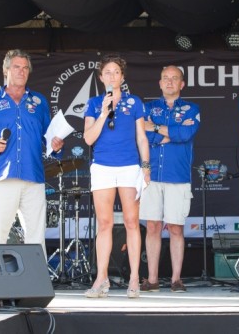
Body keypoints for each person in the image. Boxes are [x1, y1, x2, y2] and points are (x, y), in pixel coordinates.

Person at [0, 49, 64, 255]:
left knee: (36, 236)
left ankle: (34, 286)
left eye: (25, 68)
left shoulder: (39, 102)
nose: (21, 71)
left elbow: (48, 136)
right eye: (16, 67)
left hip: (33, 176)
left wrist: (55, 145)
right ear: (6, 70)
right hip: (2, 176)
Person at [83, 54, 150, 299]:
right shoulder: (93, 103)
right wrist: (103, 113)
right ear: (101, 78)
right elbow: (88, 138)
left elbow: (142, 137)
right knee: (105, 224)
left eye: (116, 72)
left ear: (122, 76)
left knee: (132, 223)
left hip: (129, 167)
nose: (112, 76)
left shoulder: (135, 103)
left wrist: (145, 166)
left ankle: (134, 279)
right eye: (107, 73)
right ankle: (101, 278)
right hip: (102, 167)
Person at [140, 65, 200, 293]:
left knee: (176, 228)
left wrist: (157, 129)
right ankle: (152, 279)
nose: (169, 81)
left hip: (178, 176)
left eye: (174, 78)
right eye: (165, 78)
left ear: (182, 84)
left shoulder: (192, 108)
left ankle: (176, 279)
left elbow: (186, 134)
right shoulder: (148, 107)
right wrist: (171, 132)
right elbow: (144, 135)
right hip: (152, 174)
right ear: (159, 82)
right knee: (152, 226)